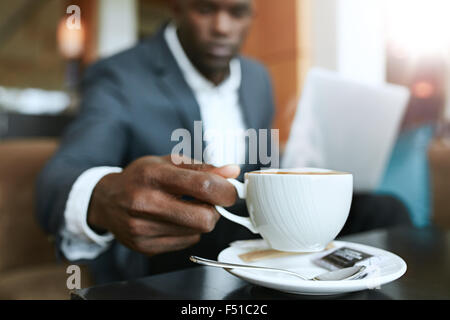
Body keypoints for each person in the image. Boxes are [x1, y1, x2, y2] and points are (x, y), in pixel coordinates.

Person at [36, 0, 410, 284]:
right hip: (180, 242)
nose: (222, 27)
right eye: (205, 9)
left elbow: (259, 168)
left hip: (254, 223)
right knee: (211, 227)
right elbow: (62, 175)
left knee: (386, 210)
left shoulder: (257, 78)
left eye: (237, 12)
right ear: (177, 7)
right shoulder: (120, 75)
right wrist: (104, 196)